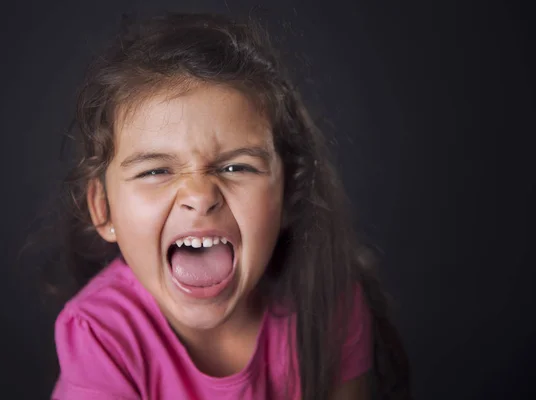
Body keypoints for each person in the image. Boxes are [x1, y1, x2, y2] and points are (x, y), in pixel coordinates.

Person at [42, 11, 411, 400]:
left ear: (287, 195)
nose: (200, 195)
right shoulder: (99, 334)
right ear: (104, 209)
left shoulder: (327, 302)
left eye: (236, 166)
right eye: (156, 171)